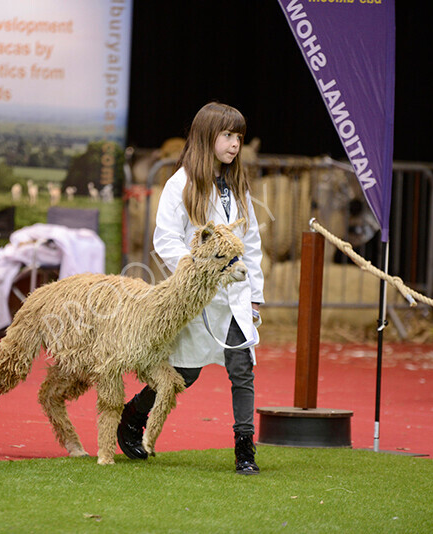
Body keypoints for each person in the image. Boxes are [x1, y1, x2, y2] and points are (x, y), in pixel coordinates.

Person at [117, 102, 265, 474]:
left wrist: (256, 296)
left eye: (239, 137)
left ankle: (244, 449)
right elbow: (166, 239)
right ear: (206, 136)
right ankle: (134, 414)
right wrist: (196, 274)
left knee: (241, 367)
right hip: (195, 297)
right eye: (228, 136)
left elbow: (252, 241)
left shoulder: (237, 187)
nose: (235, 145)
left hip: (234, 295)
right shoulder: (180, 183)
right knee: (185, 373)